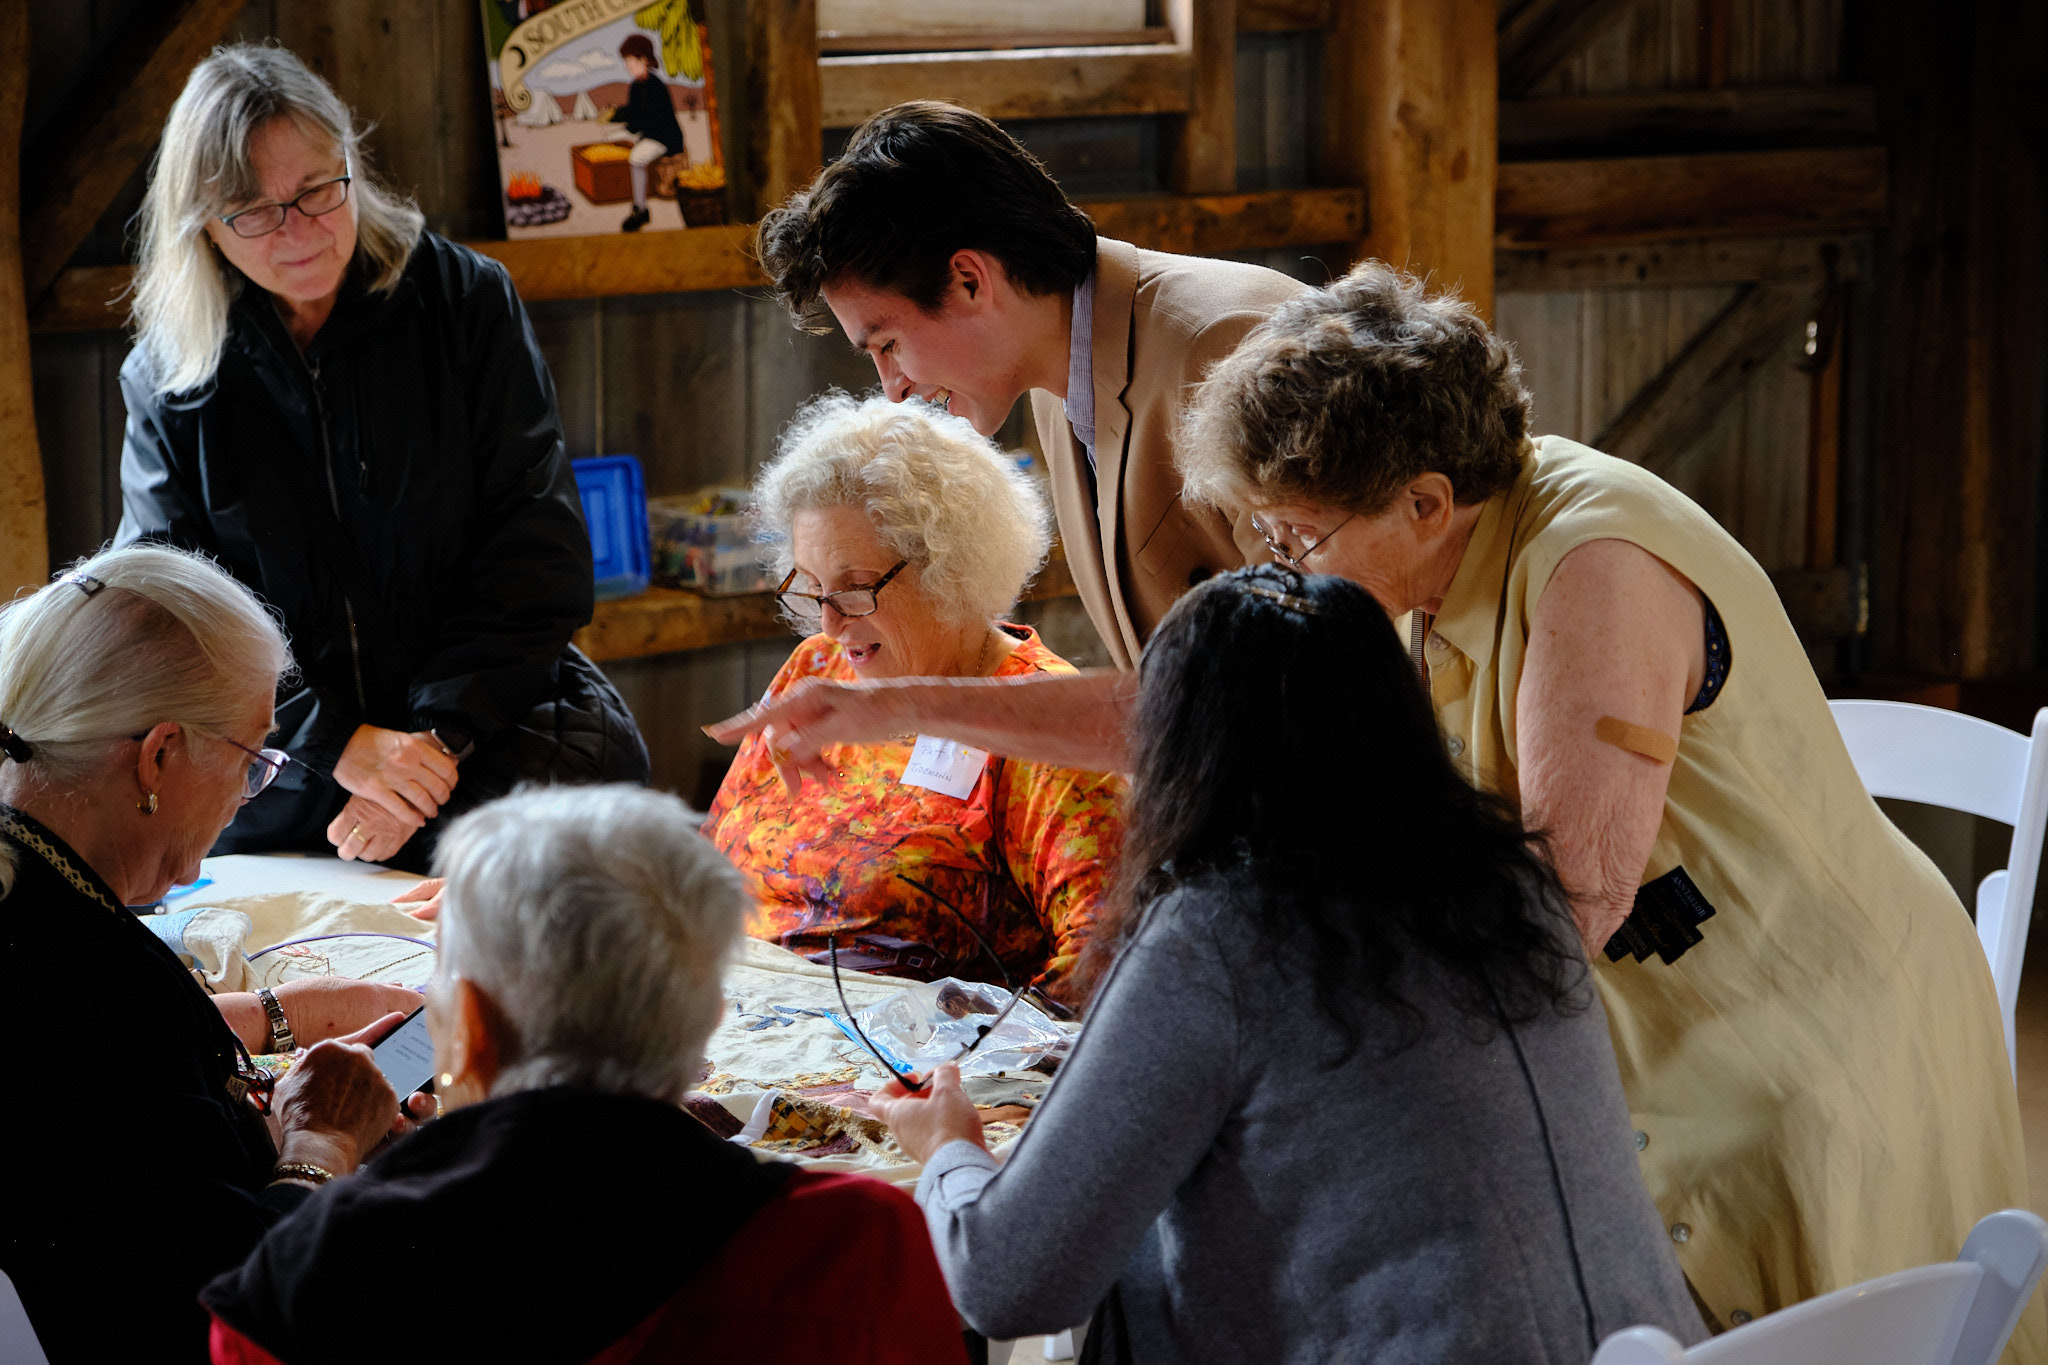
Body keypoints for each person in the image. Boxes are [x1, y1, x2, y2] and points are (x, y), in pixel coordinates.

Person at [1163, 265, 2035, 1343]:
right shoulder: (1422, 566)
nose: (1281, 564)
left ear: (1424, 500)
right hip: (1662, 999)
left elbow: (1556, 916)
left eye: (1296, 537)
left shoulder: (1591, 567)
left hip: (1792, 1028)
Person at [871, 566, 1706, 1362]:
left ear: (1177, 748)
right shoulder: (1514, 887)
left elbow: (1010, 1280)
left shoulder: (1220, 933)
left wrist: (948, 1148)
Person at [201, 784, 968, 1365]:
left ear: (464, 1030)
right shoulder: (857, 1244)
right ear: (703, 1027)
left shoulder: (314, 1273)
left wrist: (321, 1152)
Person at [119, 43, 648, 876]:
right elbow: (168, 605)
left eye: (316, 191)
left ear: (350, 166)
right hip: (281, 764)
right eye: (253, 211)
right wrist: (340, 744)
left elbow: (535, 551)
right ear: (204, 228)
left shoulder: (465, 301)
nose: (298, 231)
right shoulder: (170, 373)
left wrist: (427, 749)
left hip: (485, 728)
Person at [0, 545, 429, 1364]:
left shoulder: (41, 895)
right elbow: (221, 1312)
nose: (247, 792)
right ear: (159, 756)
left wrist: (266, 1083)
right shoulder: (91, 987)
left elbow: (142, 1171)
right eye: (251, 759)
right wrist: (321, 1148)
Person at [756, 100, 1305, 671]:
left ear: (969, 280)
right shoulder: (1053, 379)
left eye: (888, 344)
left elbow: (1328, 665)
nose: (892, 389)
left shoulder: (1234, 346)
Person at [701, 394, 1122, 1007]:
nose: (828, 624)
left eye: (855, 588)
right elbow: (716, 873)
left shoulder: (1042, 728)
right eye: (812, 587)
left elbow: (1105, 952)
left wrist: (974, 1058)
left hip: (887, 1072)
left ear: (951, 569)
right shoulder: (821, 669)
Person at [605, 32, 685, 233]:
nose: (626, 65)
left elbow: (651, 119)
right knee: (611, 139)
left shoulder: (656, 86)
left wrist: (629, 126)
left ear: (643, 59)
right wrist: (616, 115)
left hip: (665, 138)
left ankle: (640, 209)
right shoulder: (635, 86)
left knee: (637, 157)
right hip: (648, 134)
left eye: (629, 61)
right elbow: (634, 114)